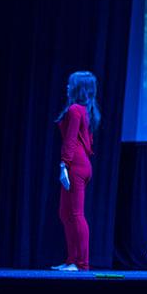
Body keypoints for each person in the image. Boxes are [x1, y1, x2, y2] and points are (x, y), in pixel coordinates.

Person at [52, 71, 100, 271]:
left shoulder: (75, 110)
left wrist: (64, 165)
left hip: (75, 165)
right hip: (81, 164)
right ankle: (72, 260)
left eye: (70, 84)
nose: (67, 87)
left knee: (76, 213)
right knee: (65, 213)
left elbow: (71, 140)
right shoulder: (85, 110)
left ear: (79, 88)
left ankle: (82, 264)